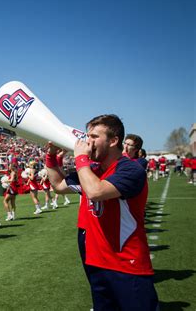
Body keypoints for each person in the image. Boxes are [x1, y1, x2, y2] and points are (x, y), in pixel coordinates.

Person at [46, 114, 158, 310]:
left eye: (95, 136)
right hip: (97, 262)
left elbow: (96, 192)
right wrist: (50, 157)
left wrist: (81, 158)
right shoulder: (92, 170)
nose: (88, 141)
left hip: (127, 265)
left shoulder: (130, 170)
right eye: (88, 136)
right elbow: (58, 185)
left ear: (114, 141)